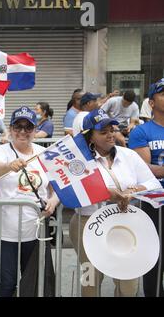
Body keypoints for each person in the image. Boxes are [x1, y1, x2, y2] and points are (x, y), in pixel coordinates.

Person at [69, 108, 161, 297]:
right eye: (103, 132)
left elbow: (151, 182)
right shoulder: (78, 161)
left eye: (112, 130)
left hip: (126, 224)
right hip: (88, 224)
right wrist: (105, 194)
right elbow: (71, 191)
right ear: (90, 136)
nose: (110, 135)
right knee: (91, 281)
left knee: (128, 281)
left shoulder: (128, 155)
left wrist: (133, 191)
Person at [0, 107, 59, 297]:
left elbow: (56, 188)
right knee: (8, 282)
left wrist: (53, 201)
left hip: (35, 232)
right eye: (18, 127)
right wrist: (9, 166)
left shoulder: (45, 154)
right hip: (6, 232)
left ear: (35, 130)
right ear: (11, 129)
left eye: (28, 127)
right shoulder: (0, 151)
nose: (22, 131)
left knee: (34, 282)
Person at [129, 78, 164, 297]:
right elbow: (147, 169)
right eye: (162, 93)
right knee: (155, 257)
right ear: (151, 102)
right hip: (155, 203)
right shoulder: (142, 132)